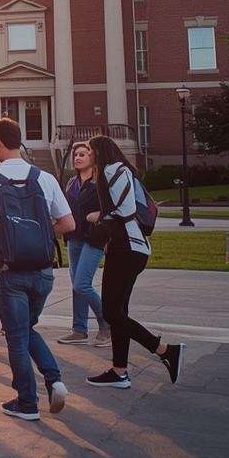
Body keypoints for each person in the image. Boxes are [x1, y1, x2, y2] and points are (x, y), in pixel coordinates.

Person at [0, 117, 75, 422]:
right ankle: (54, 381)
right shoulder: (45, 178)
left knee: (16, 335)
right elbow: (68, 224)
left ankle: (27, 401)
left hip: (11, 270)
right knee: (26, 328)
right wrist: (37, 230)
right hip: (43, 269)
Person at [85, 135, 185, 390]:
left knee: (111, 313)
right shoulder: (118, 170)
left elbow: (126, 210)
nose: (88, 155)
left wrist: (99, 216)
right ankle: (119, 372)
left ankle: (164, 350)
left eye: (90, 150)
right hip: (130, 248)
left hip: (127, 249)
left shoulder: (112, 169)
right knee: (119, 313)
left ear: (100, 151)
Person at [58, 141, 110, 346]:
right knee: (76, 286)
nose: (78, 157)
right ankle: (79, 330)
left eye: (83, 154)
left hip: (94, 238)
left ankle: (106, 323)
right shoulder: (72, 182)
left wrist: (99, 215)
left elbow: (112, 208)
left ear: (92, 157)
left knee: (82, 284)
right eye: (75, 155)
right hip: (73, 237)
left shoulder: (101, 182)